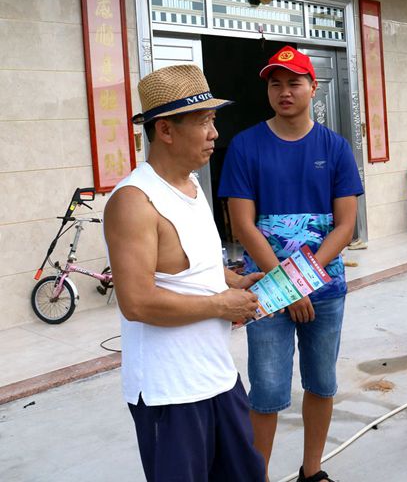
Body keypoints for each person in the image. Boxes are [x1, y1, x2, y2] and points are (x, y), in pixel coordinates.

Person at [104, 64, 266, 482]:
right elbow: (137, 302)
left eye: (213, 120)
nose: (214, 133)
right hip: (170, 392)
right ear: (165, 130)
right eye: (203, 121)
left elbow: (196, 264)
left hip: (218, 376)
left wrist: (235, 282)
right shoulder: (134, 201)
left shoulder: (192, 187)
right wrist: (220, 305)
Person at [218, 46, 364, 482]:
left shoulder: (335, 148)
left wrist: (301, 283)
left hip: (325, 291)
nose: (284, 91)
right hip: (266, 290)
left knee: (321, 383)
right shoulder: (245, 146)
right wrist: (287, 285)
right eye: (275, 84)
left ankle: (312, 471)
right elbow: (243, 226)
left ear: (313, 88)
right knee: (265, 392)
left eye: (294, 83)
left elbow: (346, 226)